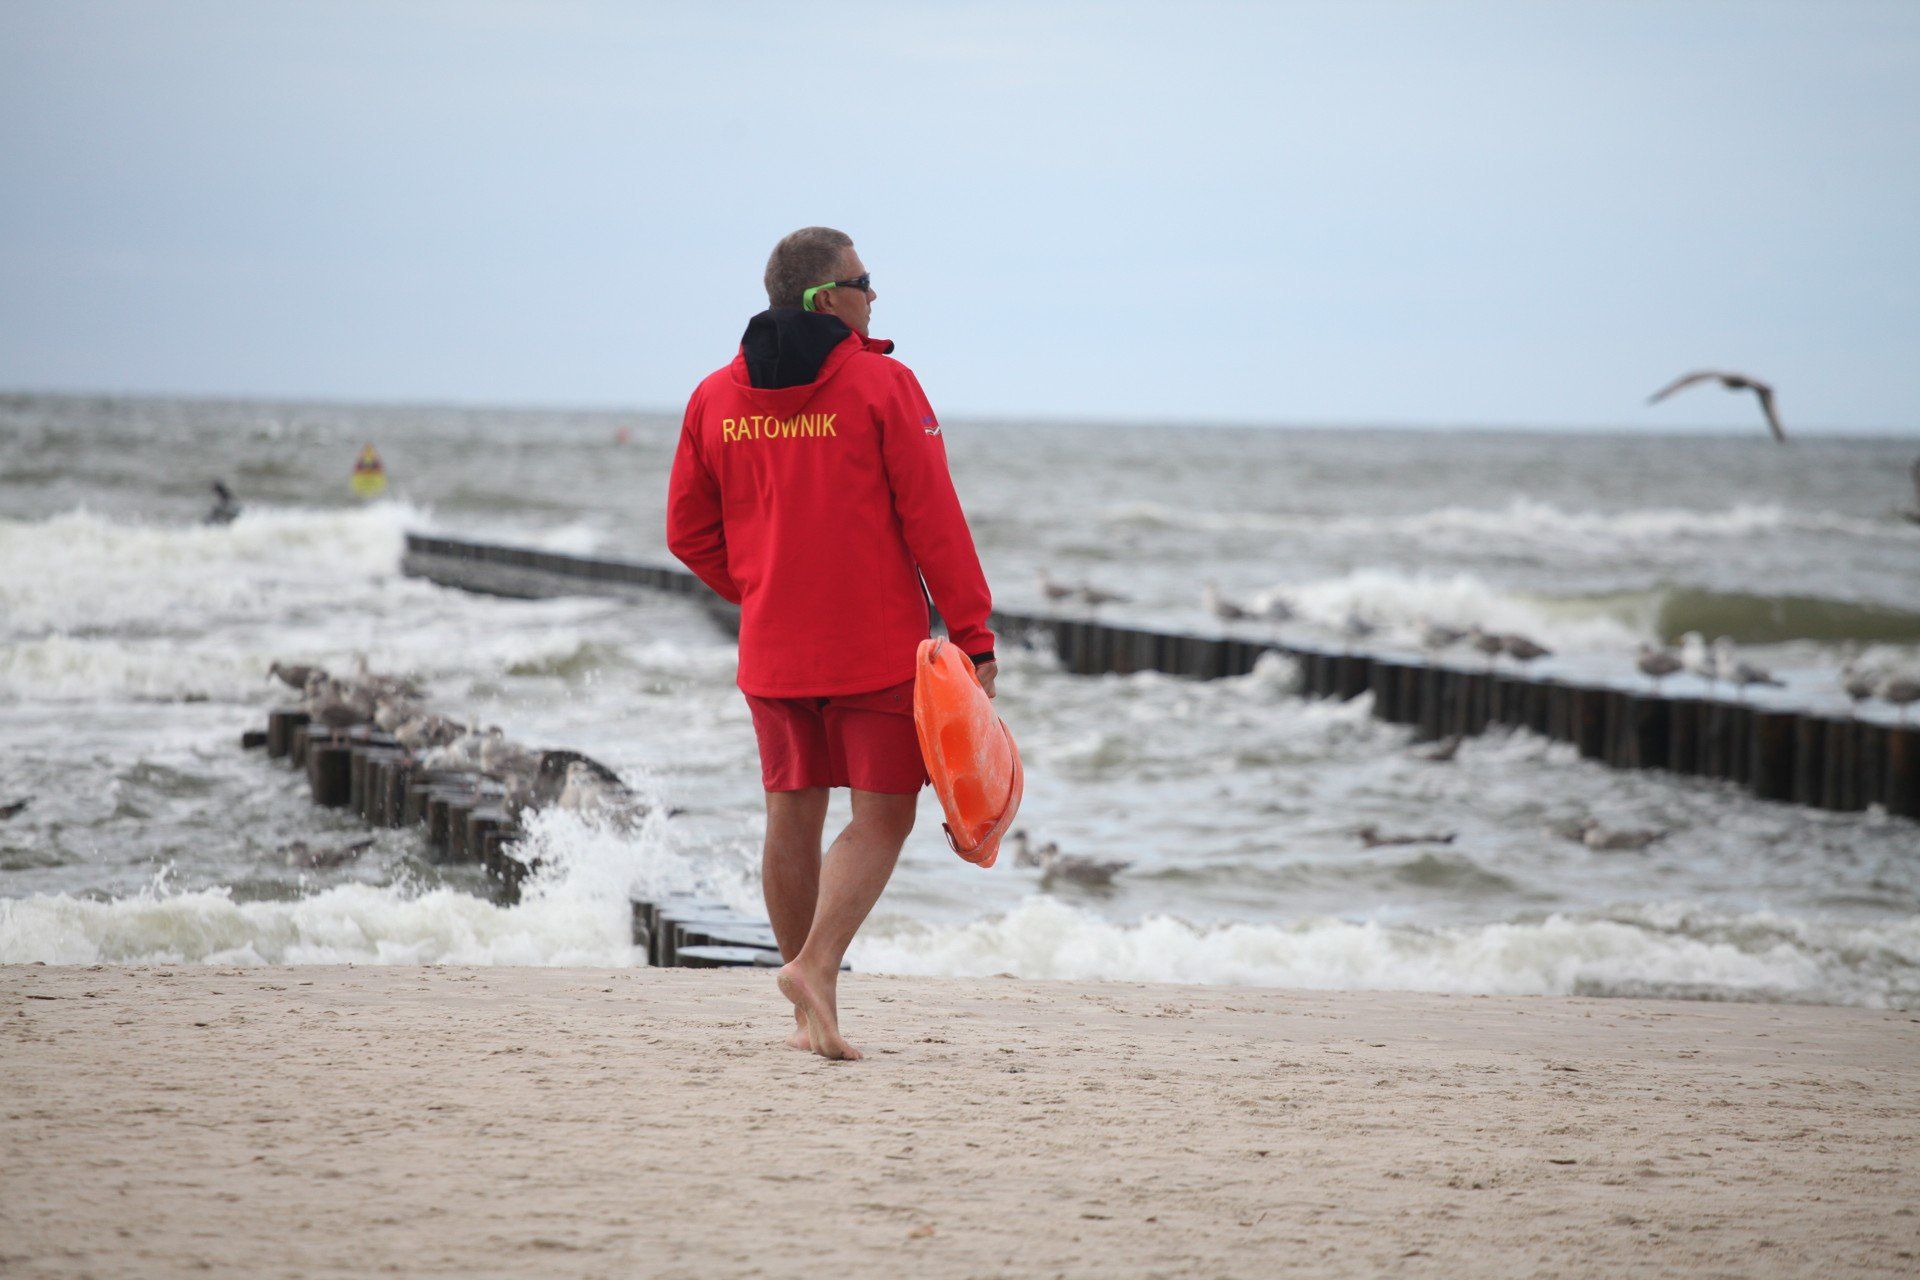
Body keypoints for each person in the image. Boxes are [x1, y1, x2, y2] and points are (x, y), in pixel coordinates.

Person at [667, 227, 997, 1060]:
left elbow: (687, 534)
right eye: (863, 280)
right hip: (872, 645)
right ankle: (814, 967)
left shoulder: (713, 397)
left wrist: (763, 589)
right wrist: (973, 634)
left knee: (792, 808)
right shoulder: (884, 385)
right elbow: (935, 521)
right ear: (825, 298)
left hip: (772, 647)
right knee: (883, 815)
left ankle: (809, 1001)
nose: (874, 295)